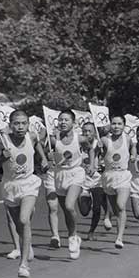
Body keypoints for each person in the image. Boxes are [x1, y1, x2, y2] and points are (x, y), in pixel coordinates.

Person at [0, 110, 49, 278]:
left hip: (28, 183)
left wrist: (43, 159)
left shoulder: (32, 137)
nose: (20, 127)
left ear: (28, 125)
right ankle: (27, 246)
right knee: (21, 227)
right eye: (16, 123)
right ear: (10, 125)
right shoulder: (2, 142)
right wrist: (1, 160)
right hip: (10, 186)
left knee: (23, 220)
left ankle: (24, 264)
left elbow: (38, 148)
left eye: (23, 123)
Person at [48, 110, 92, 259]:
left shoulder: (79, 139)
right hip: (60, 175)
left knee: (69, 205)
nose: (63, 122)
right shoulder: (53, 140)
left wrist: (91, 164)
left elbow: (91, 149)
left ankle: (73, 236)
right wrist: (47, 157)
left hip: (76, 173)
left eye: (66, 120)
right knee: (66, 211)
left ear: (73, 123)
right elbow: (41, 145)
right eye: (60, 120)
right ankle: (73, 235)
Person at [100, 115, 133, 249]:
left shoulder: (128, 139)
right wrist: (96, 160)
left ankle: (119, 237)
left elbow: (133, 148)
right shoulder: (104, 140)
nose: (116, 126)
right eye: (114, 124)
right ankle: (108, 217)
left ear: (124, 126)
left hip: (123, 175)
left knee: (120, 205)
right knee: (115, 208)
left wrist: (134, 155)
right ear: (110, 125)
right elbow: (96, 153)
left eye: (119, 124)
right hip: (109, 176)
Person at [78, 122, 107, 241]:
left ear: (95, 133)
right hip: (81, 180)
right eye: (84, 131)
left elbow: (107, 156)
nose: (87, 133)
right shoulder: (78, 144)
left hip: (97, 179)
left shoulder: (98, 144)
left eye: (90, 131)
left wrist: (102, 150)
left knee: (97, 208)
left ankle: (91, 231)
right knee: (84, 211)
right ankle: (87, 199)